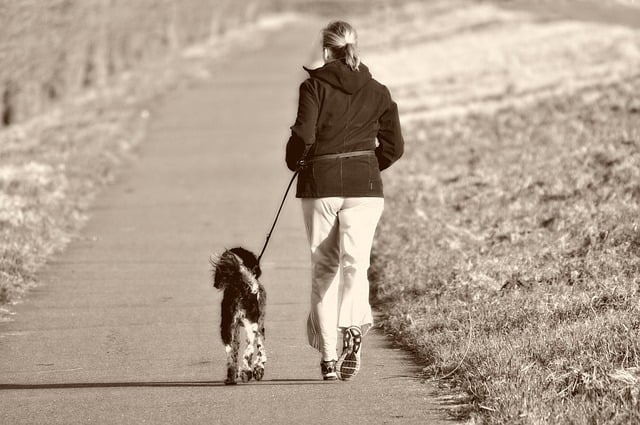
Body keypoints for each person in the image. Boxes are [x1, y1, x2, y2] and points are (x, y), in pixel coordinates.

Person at [285, 20, 404, 381]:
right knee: (356, 264)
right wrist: (367, 165)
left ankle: (328, 360)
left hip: (320, 185)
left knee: (324, 269)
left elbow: (303, 135)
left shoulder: (313, 87)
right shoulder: (379, 90)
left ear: (325, 50)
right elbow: (394, 147)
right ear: (354, 47)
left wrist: (296, 162)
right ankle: (353, 325)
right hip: (364, 186)